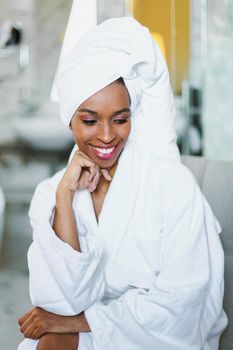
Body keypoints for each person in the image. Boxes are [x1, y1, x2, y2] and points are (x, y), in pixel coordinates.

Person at [17, 17, 227, 350]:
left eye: (120, 119)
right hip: (95, 329)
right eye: (89, 120)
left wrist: (78, 322)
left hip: (156, 337)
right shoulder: (52, 193)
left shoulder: (172, 185)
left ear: (133, 117)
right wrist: (65, 198)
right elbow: (58, 304)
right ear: (69, 118)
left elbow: (183, 310)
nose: (106, 136)